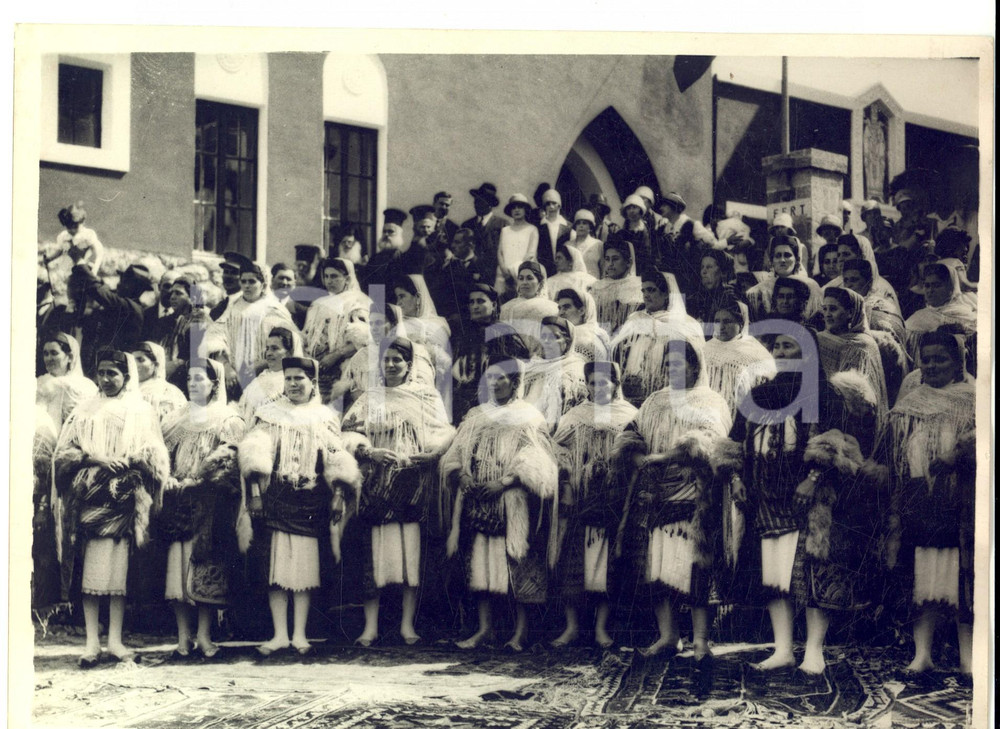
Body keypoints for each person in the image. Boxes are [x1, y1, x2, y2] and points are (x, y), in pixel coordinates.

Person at [726, 329, 878, 675]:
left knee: (812, 574)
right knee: (775, 573)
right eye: (776, 345)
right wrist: (735, 478)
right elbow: (734, 442)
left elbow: (837, 444)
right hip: (765, 498)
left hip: (811, 499)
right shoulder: (759, 394)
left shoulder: (823, 394)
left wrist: (812, 480)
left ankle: (813, 651)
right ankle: (783, 649)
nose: (779, 351)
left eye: (788, 346)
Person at [613, 341, 731, 671]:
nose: (672, 369)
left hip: (693, 493)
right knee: (658, 565)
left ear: (695, 367)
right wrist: (636, 455)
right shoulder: (653, 401)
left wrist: (668, 456)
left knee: (694, 566)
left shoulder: (710, 400)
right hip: (655, 494)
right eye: (667, 364)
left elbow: (710, 438)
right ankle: (668, 636)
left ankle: (701, 641)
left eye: (679, 363)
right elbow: (631, 433)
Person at [53, 350, 170, 667]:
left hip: (123, 497)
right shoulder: (85, 410)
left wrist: (132, 459)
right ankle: (91, 642)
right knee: (91, 572)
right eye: (101, 373)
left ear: (126, 377)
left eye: (112, 374)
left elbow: (153, 450)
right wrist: (97, 459)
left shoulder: (141, 411)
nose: (105, 379)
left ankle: (116, 639)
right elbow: (68, 451)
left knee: (118, 575)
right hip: (91, 495)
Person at [238, 357, 361, 656]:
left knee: (304, 570)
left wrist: (338, 494)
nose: (293, 384)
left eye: (300, 379)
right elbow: (254, 454)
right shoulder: (269, 414)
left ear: (312, 383)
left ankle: (300, 634)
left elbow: (336, 457)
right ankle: (280, 634)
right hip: (277, 497)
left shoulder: (323, 416)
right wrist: (254, 493)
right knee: (276, 568)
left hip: (309, 500)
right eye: (289, 378)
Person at [341, 337, 456, 646]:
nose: (390, 365)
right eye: (386, 359)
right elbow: (347, 432)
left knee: (410, 554)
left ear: (409, 365)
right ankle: (370, 627)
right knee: (374, 555)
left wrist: (431, 454)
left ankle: (407, 626)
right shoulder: (369, 397)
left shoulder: (426, 396)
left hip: (412, 483)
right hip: (377, 485)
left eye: (397, 360)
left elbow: (443, 432)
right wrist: (368, 451)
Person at [442, 356, 559, 651]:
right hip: (479, 498)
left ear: (515, 382)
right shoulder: (476, 416)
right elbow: (454, 454)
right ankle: (485, 629)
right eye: (490, 378)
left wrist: (506, 482)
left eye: (501, 378)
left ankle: (520, 633)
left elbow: (540, 463)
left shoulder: (529, 417)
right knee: (481, 565)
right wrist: (463, 476)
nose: (494, 383)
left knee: (516, 564)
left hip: (512, 501)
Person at [885, 330, 976, 675]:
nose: (933, 365)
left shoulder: (974, 400)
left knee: (961, 578)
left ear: (958, 363)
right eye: (927, 359)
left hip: (960, 502)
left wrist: (958, 456)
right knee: (921, 575)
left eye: (942, 359)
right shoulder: (909, 403)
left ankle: (968, 657)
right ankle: (922, 653)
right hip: (917, 501)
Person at [158, 359, 246, 659]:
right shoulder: (174, 419)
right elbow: (162, 457)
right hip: (178, 500)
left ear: (214, 384)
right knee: (177, 571)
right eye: (190, 379)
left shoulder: (227, 419)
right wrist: (167, 478)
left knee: (205, 568)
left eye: (200, 379)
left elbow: (229, 461)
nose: (194, 384)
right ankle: (183, 637)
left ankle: (205, 635)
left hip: (210, 503)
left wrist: (203, 479)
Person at [551, 362, 637, 649]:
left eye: (604, 382)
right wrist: (570, 473)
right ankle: (572, 627)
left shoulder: (630, 416)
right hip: (580, 497)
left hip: (613, 498)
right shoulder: (575, 416)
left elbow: (637, 450)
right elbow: (556, 446)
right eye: (591, 383)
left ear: (616, 383)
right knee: (574, 563)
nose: (597, 388)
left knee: (606, 565)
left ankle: (601, 629)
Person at [610, 270, 705, 406]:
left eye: (651, 290)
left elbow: (696, 360)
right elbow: (616, 349)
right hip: (633, 389)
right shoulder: (636, 319)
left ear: (666, 294)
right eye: (643, 291)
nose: (646, 296)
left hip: (668, 388)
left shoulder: (684, 323)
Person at [450, 284, 531, 423]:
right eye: (471, 302)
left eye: (480, 301)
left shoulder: (505, 333)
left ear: (493, 305)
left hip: (497, 396)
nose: (475, 306)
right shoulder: (463, 334)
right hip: (464, 400)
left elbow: (521, 366)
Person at [213, 258, 295, 386]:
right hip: (232, 379)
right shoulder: (232, 309)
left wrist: (255, 367)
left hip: (266, 376)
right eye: (243, 281)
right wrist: (227, 367)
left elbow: (288, 346)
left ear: (262, 284)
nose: (246, 285)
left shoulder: (273, 309)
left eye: (252, 281)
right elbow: (214, 342)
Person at [301, 257, 372, 400]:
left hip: (344, 367)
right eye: (326, 276)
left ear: (347, 278)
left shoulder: (358, 302)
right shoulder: (318, 304)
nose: (329, 281)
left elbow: (364, 341)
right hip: (318, 368)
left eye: (334, 276)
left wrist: (335, 356)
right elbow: (307, 334)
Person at [817, 288, 891, 423]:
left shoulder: (863, 345)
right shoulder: (820, 338)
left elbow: (862, 396)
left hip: (853, 417)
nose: (827, 314)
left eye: (833, 309)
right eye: (825, 309)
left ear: (850, 313)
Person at [702, 298, 776, 419]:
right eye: (717, 321)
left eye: (727, 321)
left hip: (739, 413)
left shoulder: (754, 352)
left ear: (740, 324)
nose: (721, 327)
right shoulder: (705, 349)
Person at [393, 274, 453, 413]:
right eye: (397, 298)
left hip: (433, 386)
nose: (398, 303)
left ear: (418, 297)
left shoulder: (438, 326)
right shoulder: (397, 325)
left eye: (402, 296)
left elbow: (441, 365)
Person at [521, 316, 589, 433]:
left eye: (555, 337)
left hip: (561, 428)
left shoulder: (575, 367)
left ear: (567, 342)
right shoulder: (532, 366)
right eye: (544, 337)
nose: (547, 341)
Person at [745, 235, 824, 323]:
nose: (782, 260)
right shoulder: (758, 291)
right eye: (778, 256)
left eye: (787, 255)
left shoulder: (811, 286)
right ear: (772, 261)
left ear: (797, 259)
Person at [238, 326, 305, 421]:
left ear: (289, 353)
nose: (268, 353)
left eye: (274, 348)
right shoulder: (262, 376)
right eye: (267, 348)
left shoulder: (291, 383)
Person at [36, 332, 98, 433]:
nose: (48, 358)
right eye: (45, 353)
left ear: (70, 357)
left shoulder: (85, 387)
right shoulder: (40, 382)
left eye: (54, 353)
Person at [499, 261, 559, 356]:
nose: (524, 282)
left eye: (529, 278)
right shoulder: (506, 307)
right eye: (521, 278)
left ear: (540, 282)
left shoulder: (551, 308)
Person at [588, 239, 643, 338]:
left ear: (629, 262)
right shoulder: (597, 287)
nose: (610, 264)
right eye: (607, 259)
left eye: (615, 259)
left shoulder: (638, 286)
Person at [460, 183, 508, 282]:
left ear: (489, 204)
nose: (475, 203)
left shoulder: (503, 225)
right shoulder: (467, 225)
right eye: (475, 199)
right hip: (468, 275)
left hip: (494, 277)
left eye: (480, 200)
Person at [495, 194, 540, 298]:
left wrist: (519, 274)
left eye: (520, 207)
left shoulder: (532, 229)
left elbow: (531, 253)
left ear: (525, 210)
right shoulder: (505, 230)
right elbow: (500, 252)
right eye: (513, 208)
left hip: (523, 273)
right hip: (504, 274)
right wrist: (505, 272)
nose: (516, 210)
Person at [133, 341, 188, 424]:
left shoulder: (169, 391)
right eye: (132, 361)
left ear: (155, 365)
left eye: (141, 360)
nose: (135, 365)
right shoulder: (126, 390)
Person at [554, 286, 611, 362]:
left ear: (581, 310)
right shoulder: (597, 333)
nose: (560, 313)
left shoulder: (585, 339)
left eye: (566, 307)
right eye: (559, 308)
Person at [685, 249, 737, 328]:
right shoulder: (695, 299)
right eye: (702, 267)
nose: (703, 271)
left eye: (709, 267)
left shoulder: (730, 297)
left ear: (722, 273)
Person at [54, 201, 104, 275]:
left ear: (82, 223)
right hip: (73, 267)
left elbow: (98, 252)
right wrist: (49, 258)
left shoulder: (87, 234)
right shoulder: (64, 236)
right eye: (69, 227)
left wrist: (95, 269)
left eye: (75, 227)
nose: (72, 230)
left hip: (88, 265)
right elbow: (59, 251)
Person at [608, 194, 654, 275]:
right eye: (629, 208)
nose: (631, 211)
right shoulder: (621, 233)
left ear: (640, 210)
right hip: (626, 271)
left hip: (645, 270)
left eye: (634, 207)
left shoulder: (650, 231)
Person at [536, 188, 573, 276]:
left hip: (564, 270)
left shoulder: (568, 227)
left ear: (559, 205)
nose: (551, 207)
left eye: (554, 203)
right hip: (545, 270)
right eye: (548, 204)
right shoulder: (539, 227)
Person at [569, 209, 604, 279]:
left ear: (590, 227)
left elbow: (603, 268)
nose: (581, 226)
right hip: (573, 284)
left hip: (593, 284)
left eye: (584, 223)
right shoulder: (568, 245)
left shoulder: (598, 244)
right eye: (578, 223)